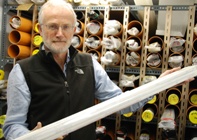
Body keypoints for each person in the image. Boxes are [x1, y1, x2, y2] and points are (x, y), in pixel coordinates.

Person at [2, 0, 194, 140]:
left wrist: (159, 84)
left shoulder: (89, 64)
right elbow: (12, 127)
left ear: (74, 29)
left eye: (66, 27)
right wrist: (32, 138)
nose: (59, 33)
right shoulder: (23, 71)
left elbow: (121, 103)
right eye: (52, 26)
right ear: (41, 29)